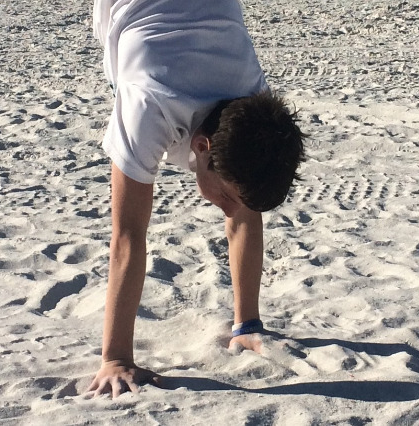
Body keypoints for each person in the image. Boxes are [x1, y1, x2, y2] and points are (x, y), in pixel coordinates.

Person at [86, 0, 308, 398]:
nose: (228, 207)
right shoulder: (147, 107)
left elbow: (246, 212)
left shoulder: (256, 101)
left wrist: (248, 325)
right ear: (202, 147)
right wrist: (116, 358)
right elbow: (127, 234)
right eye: (225, 194)